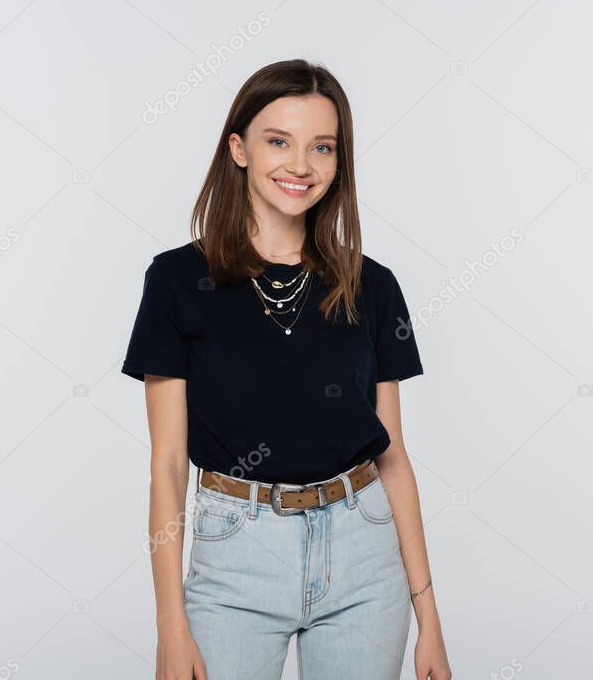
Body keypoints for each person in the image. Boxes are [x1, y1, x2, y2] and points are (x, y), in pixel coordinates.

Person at [121, 59, 452, 680]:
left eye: (321, 147)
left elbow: (394, 457)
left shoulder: (371, 286)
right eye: (279, 141)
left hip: (365, 555)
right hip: (235, 552)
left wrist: (429, 619)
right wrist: (171, 628)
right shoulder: (174, 282)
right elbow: (166, 465)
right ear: (238, 148)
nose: (301, 165)